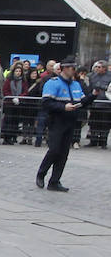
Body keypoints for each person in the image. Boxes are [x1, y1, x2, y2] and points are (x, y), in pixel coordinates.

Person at [37, 59, 98, 192]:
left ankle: (54, 181)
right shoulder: (53, 83)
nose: (73, 70)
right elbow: (46, 103)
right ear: (64, 68)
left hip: (71, 122)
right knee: (54, 150)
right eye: (71, 67)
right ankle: (41, 173)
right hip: (57, 120)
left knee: (64, 153)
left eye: (74, 67)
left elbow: (81, 102)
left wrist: (92, 96)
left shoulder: (76, 84)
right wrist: (63, 107)